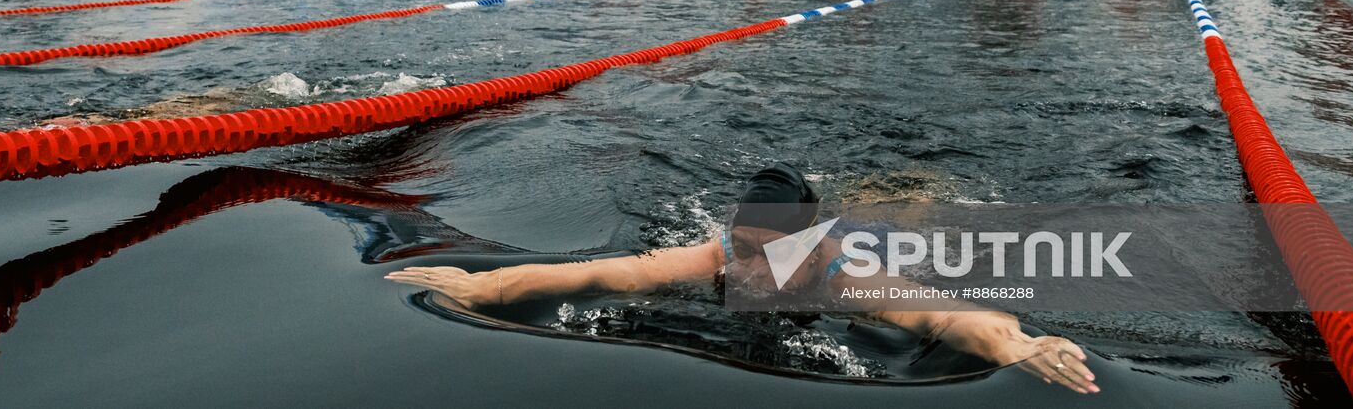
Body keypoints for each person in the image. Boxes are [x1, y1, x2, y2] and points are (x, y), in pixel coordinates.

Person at [386, 163, 1099, 395]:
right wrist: (484, 288)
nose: (749, 269)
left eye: (770, 255)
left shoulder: (846, 274)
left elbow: (947, 316)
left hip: (881, 236)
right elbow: (601, 274)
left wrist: (1019, 348)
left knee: (912, 210)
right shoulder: (718, 253)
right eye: (743, 248)